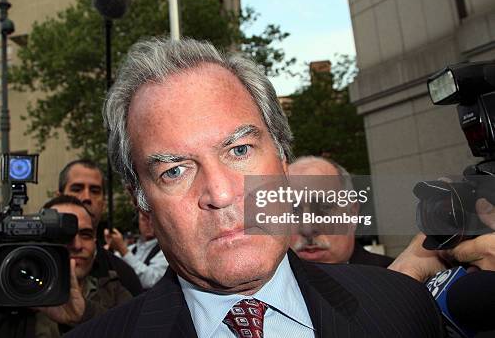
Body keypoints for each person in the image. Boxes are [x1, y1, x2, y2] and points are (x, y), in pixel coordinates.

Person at [66, 38, 444, 338]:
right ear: (142, 202)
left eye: (240, 150)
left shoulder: (402, 308)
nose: (221, 193)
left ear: (282, 162)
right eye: (175, 170)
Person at [0, 195, 132, 337]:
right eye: (64, 236)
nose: (76, 245)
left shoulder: (114, 291)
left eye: (85, 234)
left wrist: (85, 315)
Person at [57, 159, 143, 296]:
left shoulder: (123, 276)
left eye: (95, 191)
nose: (86, 198)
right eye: (77, 189)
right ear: (59, 197)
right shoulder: (28, 263)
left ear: (103, 203)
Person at [288, 156, 393, 267]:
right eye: (293, 211)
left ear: (353, 213)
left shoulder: (397, 278)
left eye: (325, 208)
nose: (308, 229)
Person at [105, 210, 169, 289]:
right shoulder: (131, 249)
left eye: (152, 218)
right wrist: (108, 249)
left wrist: (123, 250)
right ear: (137, 222)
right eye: (144, 219)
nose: (149, 223)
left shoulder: (165, 251)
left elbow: (149, 280)